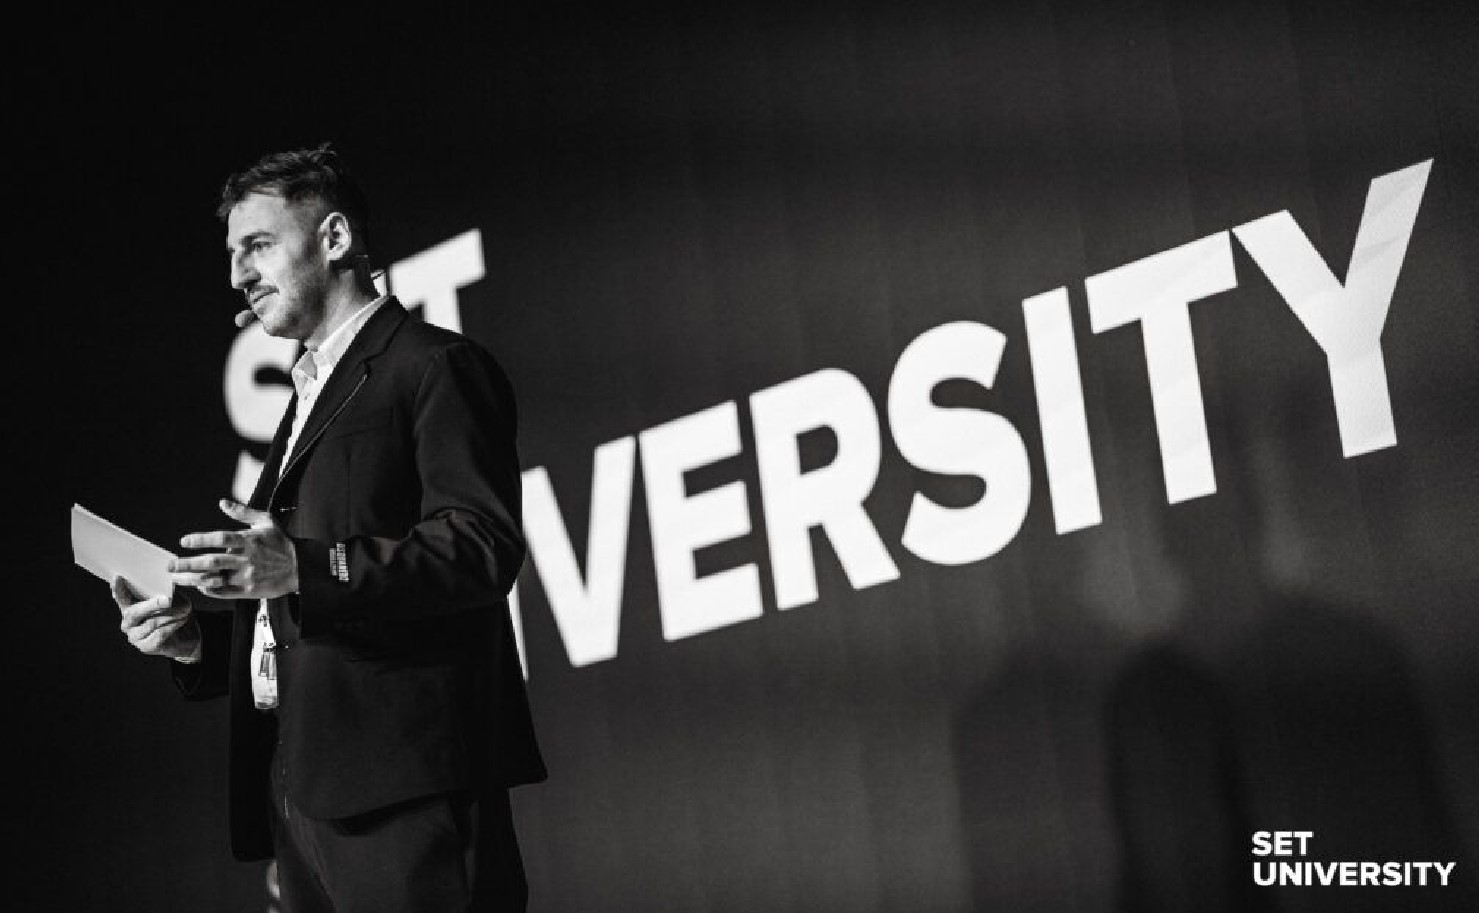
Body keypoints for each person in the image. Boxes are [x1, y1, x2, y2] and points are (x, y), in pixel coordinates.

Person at [110, 144, 545, 912]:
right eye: (232, 254)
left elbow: (482, 545)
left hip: (407, 790)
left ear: (335, 238)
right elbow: (302, 613)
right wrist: (197, 643)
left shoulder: (431, 366)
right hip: (305, 799)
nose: (237, 274)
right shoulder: (308, 394)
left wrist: (302, 569)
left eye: (257, 245)